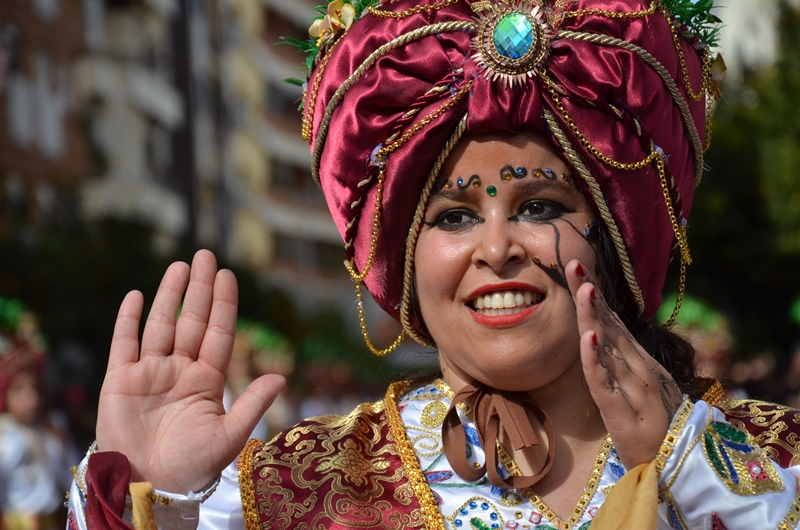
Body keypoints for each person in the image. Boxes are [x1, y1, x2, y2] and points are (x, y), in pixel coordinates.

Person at [67, 0, 800, 528]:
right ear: (404, 260)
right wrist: (141, 496)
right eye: (453, 216)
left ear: (612, 235)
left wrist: (695, 471)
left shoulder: (770, 462)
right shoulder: (296, 494)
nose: (497, 247)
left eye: (540, 205)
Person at [0, 301, 74, 530]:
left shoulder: (53, 424)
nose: (31, 400)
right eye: (19, 390)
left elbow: (72, 474)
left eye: (35, 389)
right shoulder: (3, 432)